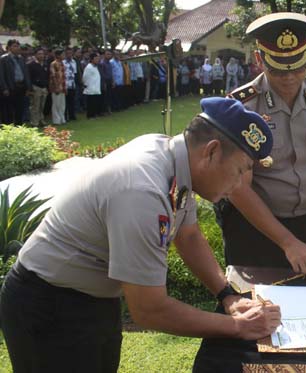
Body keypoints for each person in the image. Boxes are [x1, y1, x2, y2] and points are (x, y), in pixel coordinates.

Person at [0, 97, 281, 373]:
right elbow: (149, 310)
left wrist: (227, 294)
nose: (237, 186)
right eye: (239, 171)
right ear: (211, 151)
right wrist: (237, 327)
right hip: (48, 305)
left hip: (92, 299)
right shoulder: (142, 190)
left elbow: (189, 235)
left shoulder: (173, 160)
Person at [219, 12, 306, 280]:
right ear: (259, 59)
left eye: (298, 66)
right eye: (278, 68)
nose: (289, 76)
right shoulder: (242, 108)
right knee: (256, 313)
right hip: (253, 228)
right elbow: (238, 188)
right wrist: (288, 242)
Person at [0, 39, 31, 125]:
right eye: (15, 46)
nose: (17, 48)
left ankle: (18, 127)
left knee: (19, 110)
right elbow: (1, 75)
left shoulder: (21, 58)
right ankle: (8, 129)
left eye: (18, 46)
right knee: (8, 111)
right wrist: (4, 88)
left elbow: (25, 73)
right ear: (9, 47)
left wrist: (28, 87)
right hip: (10, 88)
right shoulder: (4, 59)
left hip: (21, 87)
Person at [27, 48, 49, 127]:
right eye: (39, 54)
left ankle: (41, 120)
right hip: (35, 87)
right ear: (35, 55)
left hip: (44, 88)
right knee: (35, 106)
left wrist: (47, 87)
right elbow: (28, 77)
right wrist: (30, 89)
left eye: (42, 54)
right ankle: (34, 122)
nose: (41, 55)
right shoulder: (31, 65)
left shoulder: (45, 64)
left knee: (42, 106)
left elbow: (47, 76)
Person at [49, 49, 66, 125]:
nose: (64, 55)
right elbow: (53, 76)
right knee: (56, 104)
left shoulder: (62, 63)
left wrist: (64, 87)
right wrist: (56, 87)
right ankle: (56, 120)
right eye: (62, 54)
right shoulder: (53, 64)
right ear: (58, 55)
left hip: (62, 86)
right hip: (56, 87)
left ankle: (62, 119)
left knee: (62, 104)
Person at [82, 52, 102, 119]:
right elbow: (85, 77)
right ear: (92, 59)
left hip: (96, 88)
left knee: (95, 102)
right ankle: (90, 115)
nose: (98, 60)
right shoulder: (89, 67)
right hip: (90, 88)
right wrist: (87, 85)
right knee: (91, 103)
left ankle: (94, 114)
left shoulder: (95, 67)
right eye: (96, 58)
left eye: (98, 58)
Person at [63, 48, 79, 121]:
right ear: (65, 54)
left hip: (72, 84)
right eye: (68, 53)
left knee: (72, 101)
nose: (69, 55)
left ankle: (72, 115)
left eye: (70, 53)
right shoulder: (63, 62)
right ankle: (65, 116)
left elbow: (74, 73)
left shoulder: (74, 62)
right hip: (66, 84)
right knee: (65, 102)